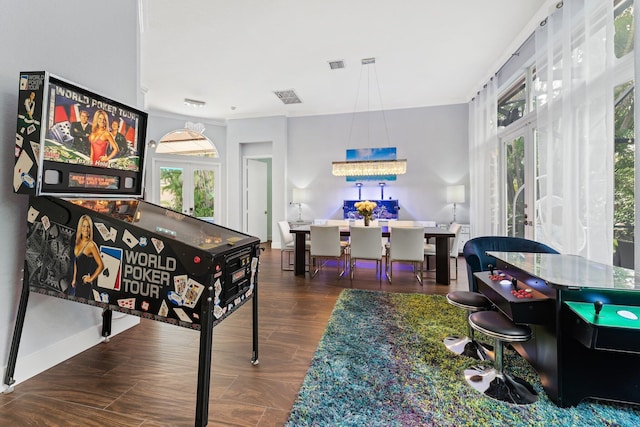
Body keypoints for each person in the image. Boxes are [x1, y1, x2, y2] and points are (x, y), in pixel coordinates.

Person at [71, 215, 104, 300]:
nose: (86, 229)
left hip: (85, 285)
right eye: (84, 226)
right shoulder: (77, 242)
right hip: (77, 284)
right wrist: (74, 278)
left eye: (88, 227)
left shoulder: (91, 245)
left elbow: (101, 265)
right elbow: (76, 262)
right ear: (80, 227)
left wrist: (91, 278)